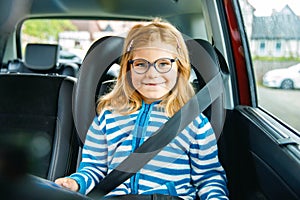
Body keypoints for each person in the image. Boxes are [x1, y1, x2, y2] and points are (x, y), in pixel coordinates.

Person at [55, 18, 229, 199]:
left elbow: (209, 177)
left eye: (163, 64)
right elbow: (94, 168)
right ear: (128, 70)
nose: (152, 73)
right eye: (140, 64)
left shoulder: (194, 123)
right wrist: (76, 183)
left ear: (179, 68)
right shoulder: (108, 117)